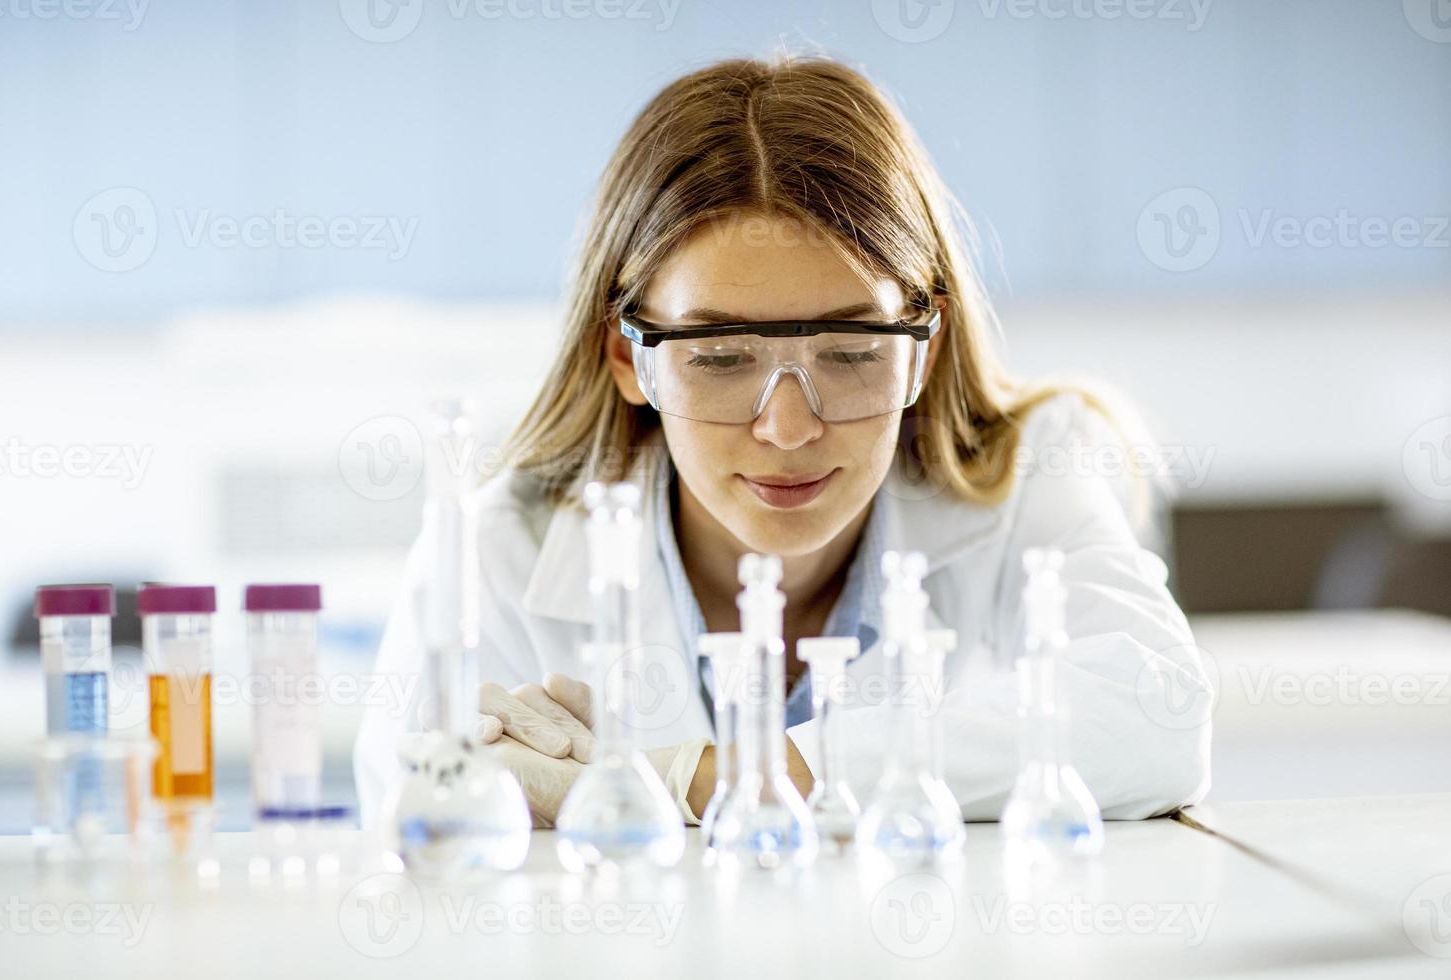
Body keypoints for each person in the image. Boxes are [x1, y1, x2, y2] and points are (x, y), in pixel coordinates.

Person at [354, 55, 1211, 829]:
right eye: (722, 358)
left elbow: (1162, 716)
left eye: (850, 354)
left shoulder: (1023, 476)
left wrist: (702, 779)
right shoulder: (503, 548)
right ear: (627, 356)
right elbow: (416, 810)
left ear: (925, 352)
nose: (790, 427)